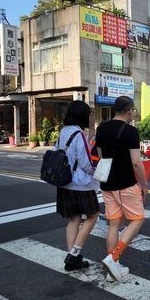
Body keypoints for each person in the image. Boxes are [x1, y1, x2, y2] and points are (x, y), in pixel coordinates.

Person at [96, 96, 148, 281]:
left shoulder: (101, 128)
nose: (133, 113)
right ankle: (114, 258)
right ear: (128, 111)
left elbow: (101, 155)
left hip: (107, 183)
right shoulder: (131, 131)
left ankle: (113, 269)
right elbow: (136, 162)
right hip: (126, 183)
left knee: (114, 224)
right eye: (133, 110)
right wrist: (144, 184)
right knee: (137, 219)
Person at [54, 101, 100, 271]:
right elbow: (86, 163)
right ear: (82, 116)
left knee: (74, 218)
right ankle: (74, 253)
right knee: (93, 215)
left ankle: (72, 259)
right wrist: (96, 171)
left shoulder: (63, 132)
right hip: (79, 184)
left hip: (64, 183)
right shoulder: (78, 134)